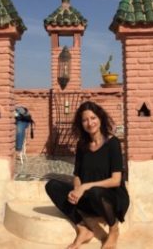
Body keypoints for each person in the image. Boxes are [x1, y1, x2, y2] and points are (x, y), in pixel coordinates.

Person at [45, 101, 129, 249]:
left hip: (110, 198)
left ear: (100, 118)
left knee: (96, 192)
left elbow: (116, 180)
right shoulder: (81, 145)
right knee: (52, 186)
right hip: (89, 197)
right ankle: (83, 228)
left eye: (93, 118)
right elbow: (77, 174)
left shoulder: (113, 143)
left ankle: (114, 229)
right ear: (81, 124)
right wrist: (77, 189)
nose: (90, 123)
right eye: (85, 120)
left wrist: (85, 186)